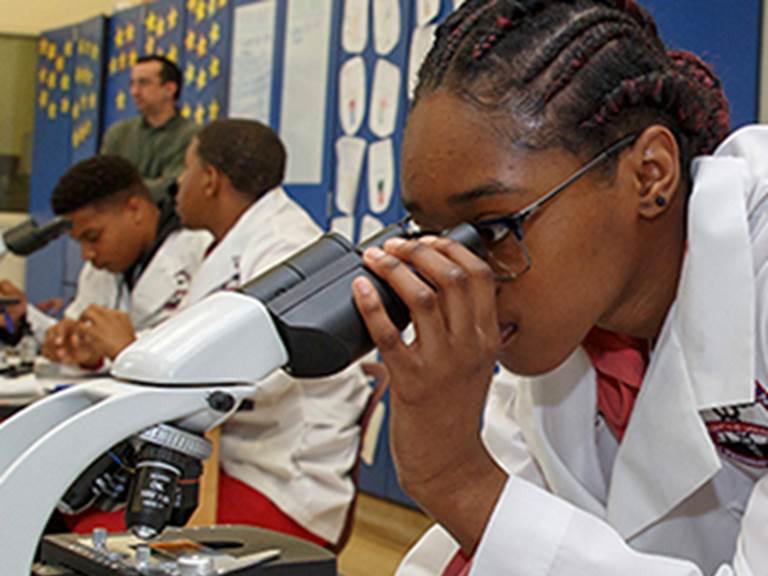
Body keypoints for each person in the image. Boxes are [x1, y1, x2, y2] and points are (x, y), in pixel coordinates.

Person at [349, 1, 768, 574]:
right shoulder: (563, 341)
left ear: (649, 174)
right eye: (435, 237)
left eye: (492, 229)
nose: (459, 273)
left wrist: (457, 480)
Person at [67, 119, 371, 548]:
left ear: (210, 180)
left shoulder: (285, 247)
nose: (177, 185)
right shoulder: (227, 246)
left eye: (185, 170)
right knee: (74, 512)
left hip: (279, 484)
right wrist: (110, 350)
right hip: (225, 463)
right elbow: (193, 341)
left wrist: (129, 349)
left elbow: (262, 374)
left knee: (88, 541)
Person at [11, 155, 210, 367]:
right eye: (80, 242)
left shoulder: (199, 253)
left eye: (93, 237)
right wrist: (61, 340)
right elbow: (80, 335)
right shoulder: (98, 271)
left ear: (134, 209)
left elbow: (197, 356)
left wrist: (127, 348)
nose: (86, 254)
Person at [101, 55, 197, 202]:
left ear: (169, 89)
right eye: (132, 84)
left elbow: (173, 187)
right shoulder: (118, 134)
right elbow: (103, 185)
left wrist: (122, 189)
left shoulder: (191, 136)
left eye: (143, 83)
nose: (134, 92)